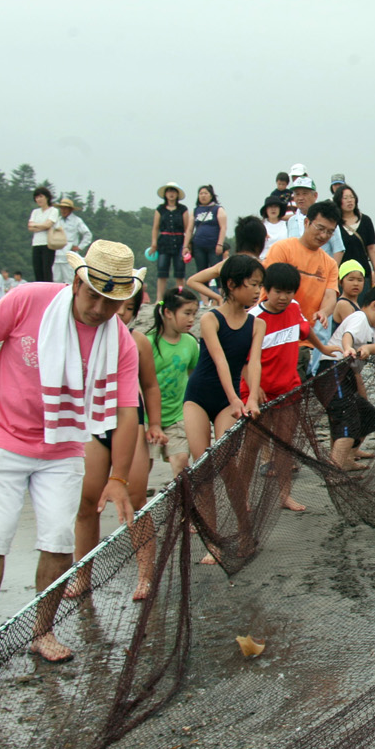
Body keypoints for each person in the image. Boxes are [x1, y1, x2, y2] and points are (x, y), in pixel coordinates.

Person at [0, 241, 143, 671]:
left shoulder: (120, 342)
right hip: (2, 437)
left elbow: (126, 409)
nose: (99, 309)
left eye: (112, 303)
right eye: (93, 295)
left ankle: (43, 630)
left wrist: (118, 477)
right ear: (77, 282)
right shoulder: (29, 299)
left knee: (59, 541)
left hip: (63, 445)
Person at [67, 290, 163, 602]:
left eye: (128, 308)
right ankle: (83, 575)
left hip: (129, 422)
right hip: (91, 425)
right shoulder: (80, 333)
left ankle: (146, 576)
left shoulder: (137, 342)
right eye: (116, 306)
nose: (120, 312)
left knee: (135, 501)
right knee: (87, 503)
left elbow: (150, 385)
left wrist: (155, 424)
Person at [245, 260, 336, 513]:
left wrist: (323, 348)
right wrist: (254, 388)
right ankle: (242, 498)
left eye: (289, 292)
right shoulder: (253, 318)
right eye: (278, 291)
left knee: (285, 445)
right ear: (266, 289)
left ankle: (284, 495)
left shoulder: (294, 308)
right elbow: (243, 359)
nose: (284, 297)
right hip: (258, 393)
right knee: (251, 447)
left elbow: (305, 331)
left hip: (288, 388)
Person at [182, 254, 265, 463]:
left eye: (260, 285)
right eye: (253, 284)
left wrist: (252, 398)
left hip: (228, 401)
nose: (258, 291)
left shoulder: (257, 324)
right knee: (202, 464)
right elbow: (220, 360)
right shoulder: (211, 318)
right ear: (231, 284)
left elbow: (254, 362)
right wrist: (235, 399)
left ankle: (240, 498)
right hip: (198, 396)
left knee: (227, 462)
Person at [320, 285, 375, 470]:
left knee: (367, 414)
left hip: (346, 375)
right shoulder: (359, 318)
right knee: (346, 418)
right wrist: (348, 348)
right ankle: (334, 470)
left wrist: (369, 348)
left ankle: (347, 459)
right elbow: (348, 335)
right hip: (331, 371)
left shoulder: (373, 325)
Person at [147, 287, 200, 480]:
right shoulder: (148, 342)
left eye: (194, 314)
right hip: (146, 417)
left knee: (181, 461)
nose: (192, 319)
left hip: (177, 415)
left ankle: (183, 507)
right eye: (187, 313)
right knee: (142, 468)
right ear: (168, 312)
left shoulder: (191, 343)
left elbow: (193, 375)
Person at [265, 200, 342, 327]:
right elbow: (269, 289)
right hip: (273, 328)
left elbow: (330, 296)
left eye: (329, 232)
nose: (323, 235)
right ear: (307, 222)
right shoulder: (282, 249)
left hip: (305, 335)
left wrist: (323, 312)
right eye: (320, 228)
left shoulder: (330, 264)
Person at [152, 182, 192, 299]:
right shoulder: (160, 209)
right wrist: (154, 243)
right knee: (162, 272)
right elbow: (155, 227)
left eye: (174, 191)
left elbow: (187, 228)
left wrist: (187, 245)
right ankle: (159, 298)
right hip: (164, 242)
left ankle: (180, 296)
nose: (171, 194)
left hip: (179, 242)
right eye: (169, 191)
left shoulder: (183, 209)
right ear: (165, 194)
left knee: (180, 272)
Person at [334, 185, 375, 286]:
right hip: (341, 276)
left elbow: (371, 248)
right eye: (345, 198)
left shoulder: (365, 221)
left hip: (362, 274)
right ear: (338, 201)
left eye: (352, 197)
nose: (349, 201)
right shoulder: (334, 223)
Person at [49, 199, 93, 285]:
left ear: (70, 209)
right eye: (62, 208)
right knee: (55, 282)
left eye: (66, 208)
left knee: (70, 281)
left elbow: (88, 234)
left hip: (69, 256)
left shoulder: (77, 221)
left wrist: (79, 247)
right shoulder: (57, 220)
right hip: (56, 255)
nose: (63, 210)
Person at [190, 185, 227, 273]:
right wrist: (186, 246)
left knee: (217, 271)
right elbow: (189, 230)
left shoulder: (218, 209)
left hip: (213, 245)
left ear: (211, 196)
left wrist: (220, 244)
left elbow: (223, 227)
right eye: (201, 193)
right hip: (198, 245)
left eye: (206, 193)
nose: (203, 195)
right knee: (201, 271)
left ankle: (220, 287)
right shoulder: (195, 210)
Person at [28, 186, 59, 282]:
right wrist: (42, 226)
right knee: (37, 270)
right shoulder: (35, 212)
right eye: (37, 197)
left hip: (48, 244)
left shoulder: (53, 210)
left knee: (47, 270)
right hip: (36, 243)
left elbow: (48, 224)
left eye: (41, 196)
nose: (39, 199)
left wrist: (36, 226)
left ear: (47, 197)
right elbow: (30, 227)